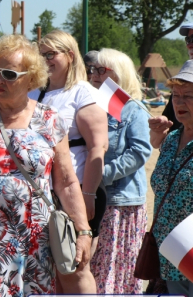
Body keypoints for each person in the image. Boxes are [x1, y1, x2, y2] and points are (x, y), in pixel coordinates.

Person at [0, 33, 92, 296]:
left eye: (9, 74)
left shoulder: (49, 119)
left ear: (31, 78)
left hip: (33, 240)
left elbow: (68, 183)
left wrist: (83, 231)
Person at [28, 29, 107, 293]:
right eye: (40, 55)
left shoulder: (82, 93)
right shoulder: (32, 92)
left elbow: (98, 147)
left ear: (70, 56)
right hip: (40, 192)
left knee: (72, 267)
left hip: (72, 190)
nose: (44, 60)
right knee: (43, 268)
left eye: (51, 54)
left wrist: (87, 194)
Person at [87, 48, 152, 294]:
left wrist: (98, 175)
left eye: (101, 70)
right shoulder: (90, 106)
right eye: (92, 69)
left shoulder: (132, 109)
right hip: (92, 198)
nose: (94, 74)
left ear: (119, 74)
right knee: (95, 270)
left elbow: (139, 153)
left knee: (116, 273)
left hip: (120, 204)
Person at [150, 60, 193, 296]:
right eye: (175, 95)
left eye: (188, 95)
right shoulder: (171, 140)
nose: (179, 102)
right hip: (170, 257)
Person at [149, 23, 193, 148]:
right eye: (188, 40)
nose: (190, 44)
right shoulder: (181, 85)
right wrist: (158, 129)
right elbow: (157, 143)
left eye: (188, 96)